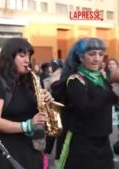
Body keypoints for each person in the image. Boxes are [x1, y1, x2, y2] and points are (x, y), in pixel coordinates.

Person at [0, 38, 53, 169]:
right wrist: (27, 125)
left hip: (30, 149)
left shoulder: (28, 81)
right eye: (22, 55)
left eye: (29, 55)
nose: (27, 60)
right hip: (4, 153)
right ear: (9, 57)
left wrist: (46, 101)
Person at [51, 38, 117, 169]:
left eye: (101, 54)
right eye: (92, 54)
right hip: (82, 145)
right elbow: (85, 109)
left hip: (103, 141)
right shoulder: (75, 80)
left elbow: (110, 102)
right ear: (81, 57)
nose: (97, 59)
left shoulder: (102, 78)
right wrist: (112, 93)